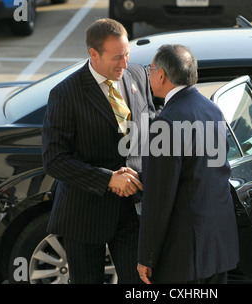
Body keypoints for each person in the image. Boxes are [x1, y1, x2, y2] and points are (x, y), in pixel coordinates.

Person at [42, 18, 155, 284]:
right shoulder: (65, 94)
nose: (124, 64)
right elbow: (54, 160)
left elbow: (151, 130)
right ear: (93, 54)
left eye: (127, 54)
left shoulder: (137, 74)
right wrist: (108, 179)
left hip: (132, 210)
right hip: (85, 215)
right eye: (117, 58)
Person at [137, 44, 239, 284]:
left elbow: (159, 199)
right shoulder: (213, 110)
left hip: (183, 255)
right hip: (217, 247)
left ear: (161, 75)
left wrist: (146, 256)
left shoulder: (165, 123)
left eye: (150, 69)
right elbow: (200, 171)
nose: (149, 74)